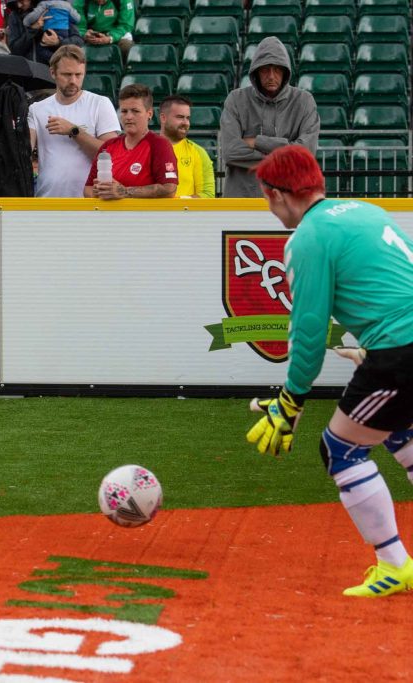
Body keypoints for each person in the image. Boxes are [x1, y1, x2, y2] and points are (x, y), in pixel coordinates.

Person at [246, 144, 413, 598]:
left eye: (265, 197)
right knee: (396, 432)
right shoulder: (365, 210)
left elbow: (308, 329)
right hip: (400, 345)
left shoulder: (308, 237)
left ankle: (394, 564)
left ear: (277, 194)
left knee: (341, 449)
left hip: (400, 350)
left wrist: (291, 400)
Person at [219, 37, 320, 198]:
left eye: (277, 69)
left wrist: (257, 142)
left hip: (289, 201)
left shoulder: (304, 101)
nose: (271, 76)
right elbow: (231, 152)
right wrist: (287, 155)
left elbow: (306, 153)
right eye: (265, 69)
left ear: (285, 71)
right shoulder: (236, 99)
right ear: (256, 72)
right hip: (243, 202)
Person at [28, 45, 119, 198]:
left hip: (89, 201)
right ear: (52, 73)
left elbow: (111, 154)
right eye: (67, 74)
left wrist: (74, 131)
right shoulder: (37, 109)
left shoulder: (100, 103)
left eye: (78, 75)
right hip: (47, 199)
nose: (73, 81)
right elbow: (24, 151)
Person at [84, 84, 177, 199]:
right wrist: (100, 192)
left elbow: (169, 189)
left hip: (144, 216)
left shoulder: (159, 145)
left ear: (149, 114)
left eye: (135, 111)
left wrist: (125, 192)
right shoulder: (109, 146)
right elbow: (88, 188)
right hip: (108, 216)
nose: (128, 116)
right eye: (124, 111)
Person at [159, 94, 214, 199]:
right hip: (150, 214)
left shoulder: (198, 152)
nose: (185, 123)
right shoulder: (146, 149)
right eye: (180, 117)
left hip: (185, 214)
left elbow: (208, 195)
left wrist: (177, 202)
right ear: (163, 118)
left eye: (187, 118)